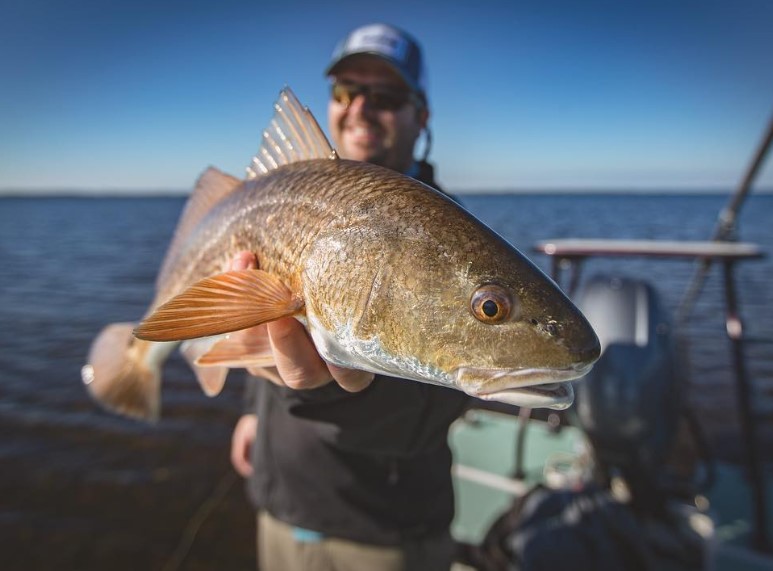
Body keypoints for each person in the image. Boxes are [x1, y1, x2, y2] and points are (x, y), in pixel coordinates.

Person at [230, 23, 470, 571]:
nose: (360, 109)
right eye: (345, 92)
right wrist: (253, 413)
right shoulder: (292, 194)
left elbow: (432, 412)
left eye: (385, 97)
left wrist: (328, 392)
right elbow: (261, 311)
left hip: (382, 532)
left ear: (421, 116)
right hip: (279, 505)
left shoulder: (455, 243)